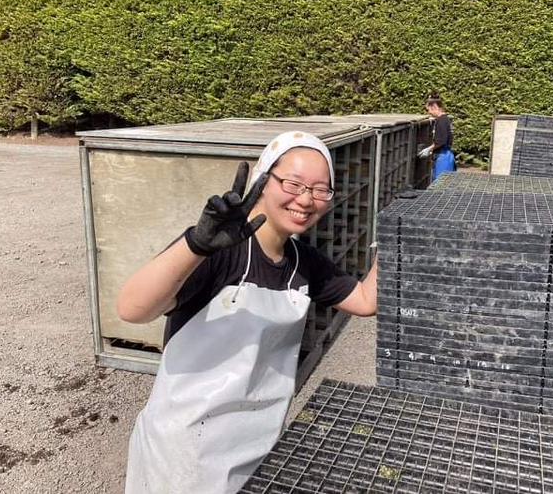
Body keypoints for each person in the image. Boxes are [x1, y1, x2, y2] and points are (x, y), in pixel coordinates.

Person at [117, 131, 378, 494]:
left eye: (320, 190)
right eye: (293, 184)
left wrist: (398, 235)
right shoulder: (219, 249)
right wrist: (196, 245)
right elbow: (132, 309)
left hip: (257, 443)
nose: (306, 199)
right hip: (184, 452)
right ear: (262, 181)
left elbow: (364, 300)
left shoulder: (303, 261)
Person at [418, 92, 457, 181]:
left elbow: (441, 141)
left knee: (440, 183)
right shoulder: (445, 119)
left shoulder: (441, 121)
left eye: (429, 109)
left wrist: (429, 149)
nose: (429, 112)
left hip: (443, 157)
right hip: (444, 155)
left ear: (434, 106)